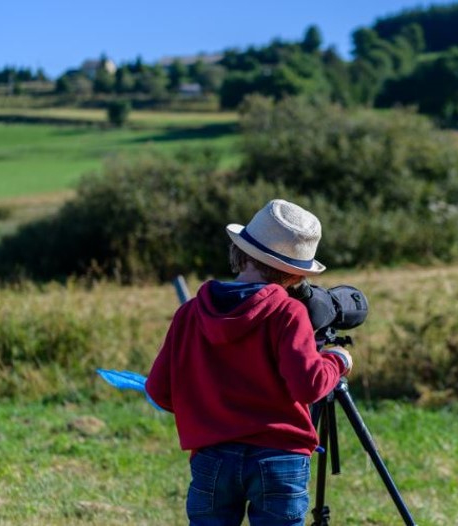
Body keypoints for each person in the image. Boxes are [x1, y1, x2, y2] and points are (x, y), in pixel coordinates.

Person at [146, 199, 353, 526]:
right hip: (278, 457)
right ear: (297, 273)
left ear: (240, 251)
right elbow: (309, 385)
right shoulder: (288, 313)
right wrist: (336, 361)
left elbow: (158, 391)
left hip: (212, 454)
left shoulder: (190, 314)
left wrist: (208, 410)